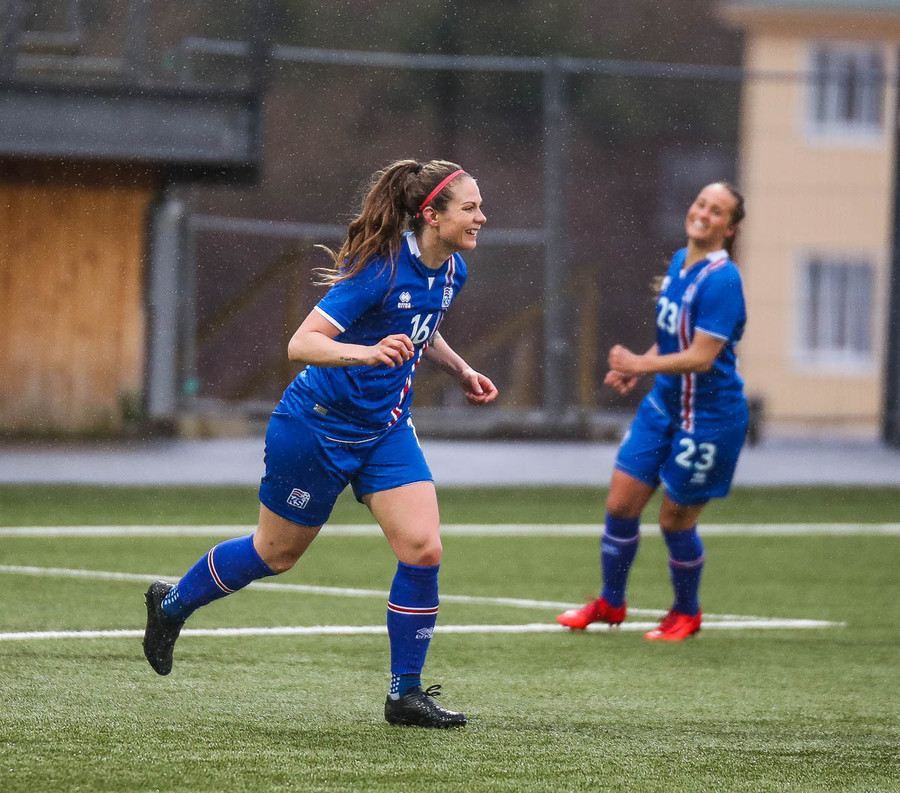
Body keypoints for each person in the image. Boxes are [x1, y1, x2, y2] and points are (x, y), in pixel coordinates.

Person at [142, 159, 498, 727]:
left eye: (480, 207)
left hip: (385, 430)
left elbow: (422, 326)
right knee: (275, 554)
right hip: (315, 426)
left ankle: (405, 695)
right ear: (431, 216)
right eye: (470, 208)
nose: (481, 217)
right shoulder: (379, 271)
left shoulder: (453, 268)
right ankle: (171, 604)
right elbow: (301, 344)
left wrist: (461, 370)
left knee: (423, 548)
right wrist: (366, 352)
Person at [558, 182, 747, 641]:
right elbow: (674, 341)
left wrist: (638, 364)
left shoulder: (724, 279)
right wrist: (641, 367)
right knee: (620, 504)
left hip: (709, 419)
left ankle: (687, 612)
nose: (703, 213)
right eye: (701, 203)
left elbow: (701, 357)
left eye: (717, 211)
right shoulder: (681, 262)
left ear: (730, 228)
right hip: (663, 405)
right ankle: (611, 602)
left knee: (674, 521)